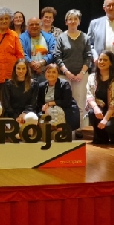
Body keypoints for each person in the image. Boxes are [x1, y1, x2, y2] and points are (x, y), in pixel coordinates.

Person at [55, 9, 91, 137]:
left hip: (81, 76)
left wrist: (81, 73)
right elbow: (57, 56)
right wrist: (67, 72)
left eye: (75, 19)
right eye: (70, 19)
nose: (73, 21)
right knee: (65, 102)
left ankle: (78, 128)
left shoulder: (85, 37)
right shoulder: (61, 37)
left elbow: (88, 56)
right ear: (66, 22)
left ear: (79, 21)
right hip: (64, 76)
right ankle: (65, 127)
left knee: (79, 102)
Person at [86, 51, 114, 144]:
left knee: (110, 126)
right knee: (92, 113)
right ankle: (101, 138)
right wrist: (96, 108)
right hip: (101, 107)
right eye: (100, 59)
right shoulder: (92, 77)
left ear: (111, 63)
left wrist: (105, 119)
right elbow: (89, 95)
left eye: (105, 60)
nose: (101, 62)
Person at [0, 7, 24, 104]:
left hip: (10, 76)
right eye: (1, 19)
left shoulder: (14, 35)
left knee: (10, 102)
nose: (4, 21)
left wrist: (19, 72)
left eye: (6, 18)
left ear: (10, 19)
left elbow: (20, 55)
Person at [34, 64, 79, 129]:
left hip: (63, 109)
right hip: (45, 110)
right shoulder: (41, 86)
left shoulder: (64, 84)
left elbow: (67, 102)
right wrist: (43, 109)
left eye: (54, 72)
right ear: (45, 73)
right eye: (48, 72)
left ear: (58, 74)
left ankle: (59, 133)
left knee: (53, 112)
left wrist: (50, 103)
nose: (51, 74)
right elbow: (39, 103)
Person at [1, 59, 38, 128]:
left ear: (27, 69)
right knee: (17, 135)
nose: (21, 71)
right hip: (11, 115)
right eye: (18, 68)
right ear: (15, 69)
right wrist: (17, 117)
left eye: (23, 68)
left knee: (32, 119)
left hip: (27, 113)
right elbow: (6, 105)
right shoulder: (8, 84)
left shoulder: (34, 84)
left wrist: (24, 113)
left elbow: (33, 103)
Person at [20, 17, 57, 83]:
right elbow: (21, 51)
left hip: (45, 72)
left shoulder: (50, 37)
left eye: (37, 24)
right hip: (28, 72)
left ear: (41, 26)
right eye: (31, 24)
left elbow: (54, 52)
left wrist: (41, 63)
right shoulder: (22, 37)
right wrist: (31, 63)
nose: (34, 26)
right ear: (27, 27)